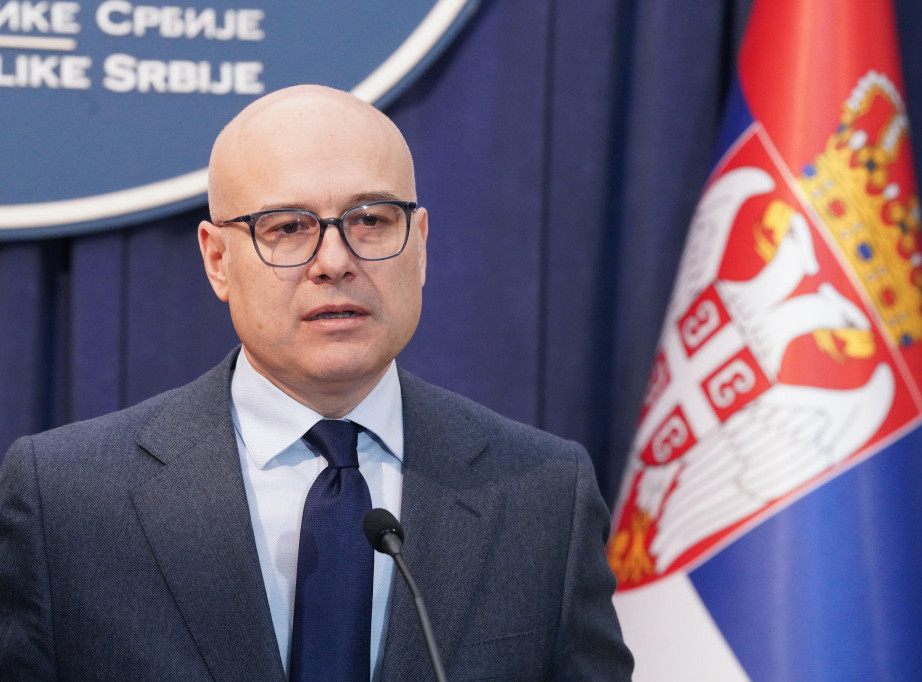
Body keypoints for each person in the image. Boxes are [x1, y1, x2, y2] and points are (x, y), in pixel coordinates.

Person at [0, 85, 634, 680]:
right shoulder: (68, 500)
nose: (335, 262)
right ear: (218, 260)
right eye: (287, 226)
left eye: (372, 220)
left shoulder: (543, 493)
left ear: (419, 245)